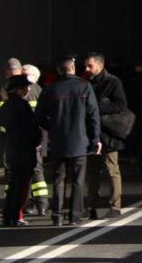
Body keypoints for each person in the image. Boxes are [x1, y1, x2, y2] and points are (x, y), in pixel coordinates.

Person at [36, 52, 101, 227]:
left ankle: (57, 216)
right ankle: (75, 215)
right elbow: (93, 115)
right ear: (73, 68)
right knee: (78, 180)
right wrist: (95, 138)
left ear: (59, 71)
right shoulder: (85, 87)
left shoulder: (50, 89)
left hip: (58, 141)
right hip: (80, 140)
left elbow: (39, 117)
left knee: (58, 179)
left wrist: (53, 128)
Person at [84, 52, 133, 219]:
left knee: (112, 170)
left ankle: (115, 206)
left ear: (100, 66)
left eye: (90, 66)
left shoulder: (113, 82)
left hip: (108, 134)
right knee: (92, 172)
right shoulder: (87, 83)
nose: (87, 69)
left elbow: (121, 105)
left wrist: (96, 108)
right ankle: (90, 206)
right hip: (93, 134)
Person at [0, 74, 41, 227]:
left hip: (11, 149)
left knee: (12, 185)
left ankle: (7, 216)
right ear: (18, 90)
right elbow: (32, 128)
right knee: (22, 186)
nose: (28, 89)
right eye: (26, 87)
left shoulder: (5, 106)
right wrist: (37, 140)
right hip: (24, 150)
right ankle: (15, 216)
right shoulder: (23, 106)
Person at [22, 64, 49, 215]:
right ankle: (41, 204)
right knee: (37, 171)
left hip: (31, 139)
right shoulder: (41, 91)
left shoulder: (29, 91)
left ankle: (32, 203)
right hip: (38, 139)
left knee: (32, 171)